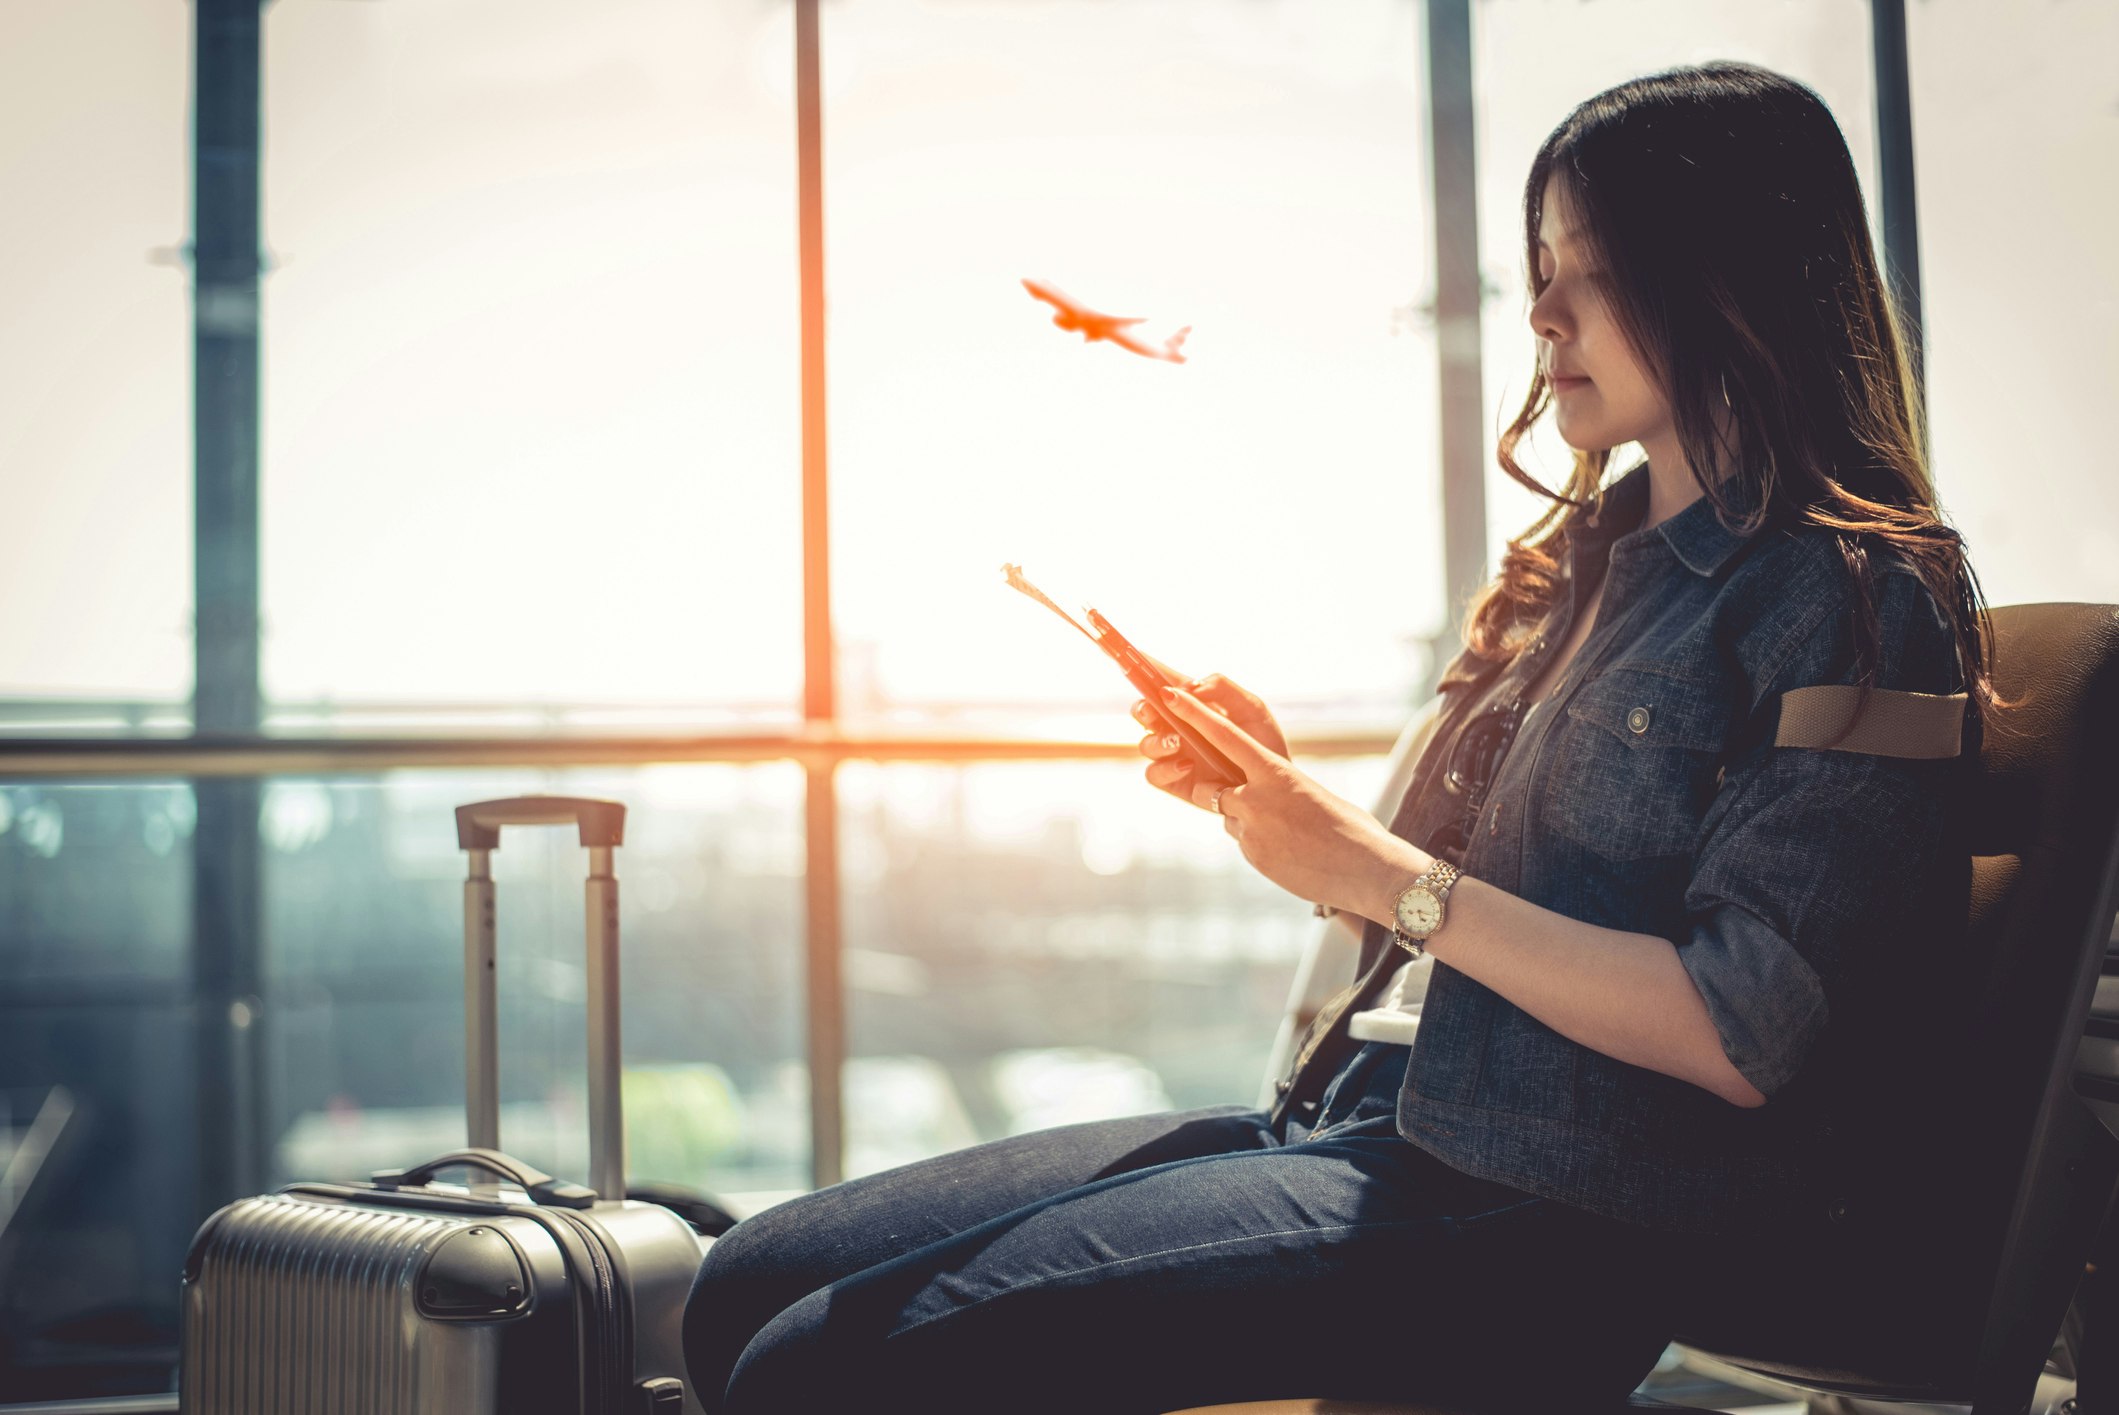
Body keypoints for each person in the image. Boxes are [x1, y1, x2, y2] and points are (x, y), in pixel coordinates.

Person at [681, 59, 2006, 1414]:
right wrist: (1289, 804)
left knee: (816, 1370)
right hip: (1370, 1117)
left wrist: (1374, 875)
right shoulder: (1588, 557)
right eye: (1541, 265)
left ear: (1726, 275)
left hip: (1559, 1202)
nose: (1540, 310)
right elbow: (1481, 884)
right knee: (740, 1283)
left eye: (1590, 268)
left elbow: (1743, 1030)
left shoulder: (1853, 591)